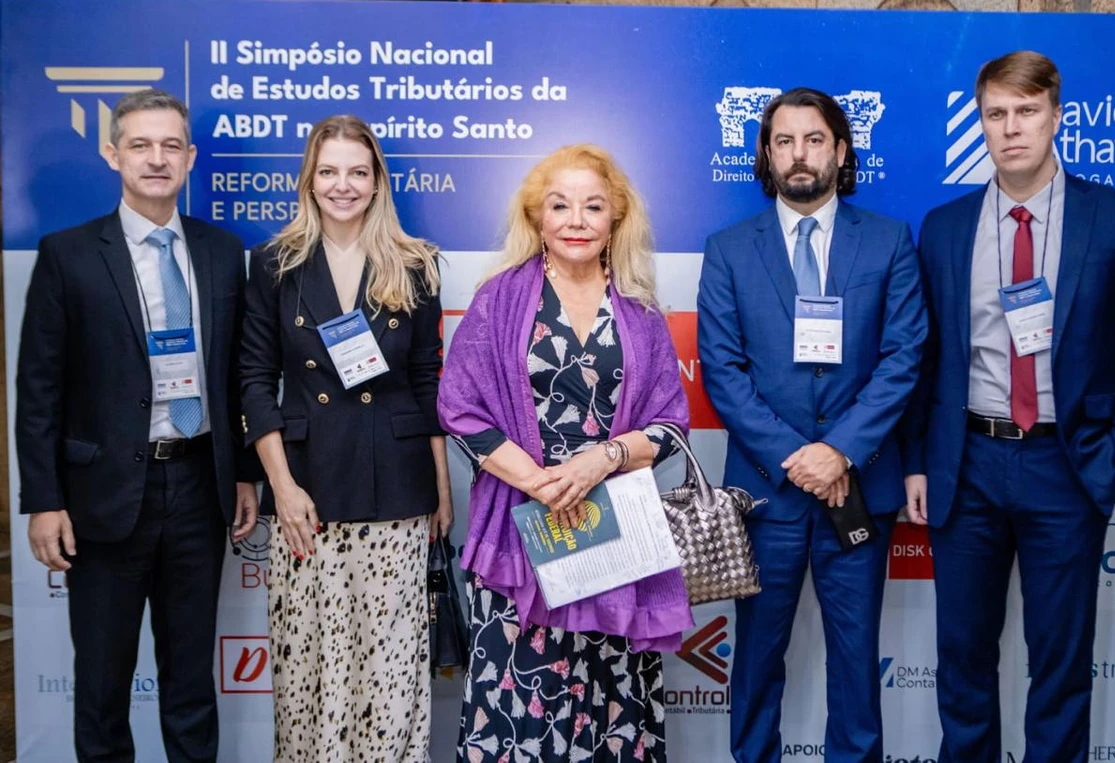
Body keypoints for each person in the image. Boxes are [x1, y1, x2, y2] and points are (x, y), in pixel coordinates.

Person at [901, 51, 1115, 763]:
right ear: (981, 123)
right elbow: (921, 359)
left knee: (1060, 661)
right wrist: (917, 462)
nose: (1011, 128)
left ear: (1057, 116)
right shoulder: (944, 227)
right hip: (969, 460)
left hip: (1068, 462)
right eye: (996, 114)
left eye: (1026, 112)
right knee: (962, 656)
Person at [16, 88, 259, 763]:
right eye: (141, 145)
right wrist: (43, 500)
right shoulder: (68, 253)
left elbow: (240, 373)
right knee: (101, 686)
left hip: (197, 488)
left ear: (190, 157)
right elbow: (38, 388)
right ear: (112, 153)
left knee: (190, 683)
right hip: (102, 500)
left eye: (170, 145)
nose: (157, 159)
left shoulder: (219, 251)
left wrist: (243, 470)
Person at [438, 143, 691, 763]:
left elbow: (670, 427)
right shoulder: (499, 300)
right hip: (523, 533)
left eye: (593, 206)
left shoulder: (641, 314)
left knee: (608, 700)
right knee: (522, 695)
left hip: (615, 534)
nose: (576, 220)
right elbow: (458, 407)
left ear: (615, 221)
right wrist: (539, 482)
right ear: (537, 218)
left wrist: (600, 460)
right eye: (561, 205)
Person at [697, 87, 927, 763]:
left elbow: (904, 355)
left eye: (815, 139)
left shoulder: (887, 240)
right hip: (767, 495)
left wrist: (840, 452)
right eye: (785, 141)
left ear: (841, 150)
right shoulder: (730, 249)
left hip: (857, 488)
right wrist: (800, 456)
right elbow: (723, 370)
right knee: (758, 660)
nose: (801, 155)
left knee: (856, 666)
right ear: (767, 154)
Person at [239, 114, 452, 762]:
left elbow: (426, 378)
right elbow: (253, 378)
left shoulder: (416, 262)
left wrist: (440, 488)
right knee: (313, 664)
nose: (343, 185)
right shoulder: (276, 264)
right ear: (309, 178)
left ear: (376, 180)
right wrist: (281, 486)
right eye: (329, 171)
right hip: (309, 492)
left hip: (397, 484)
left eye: (357, 171)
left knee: (389, 667)